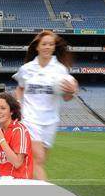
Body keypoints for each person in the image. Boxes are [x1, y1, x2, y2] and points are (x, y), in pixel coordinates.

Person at [13, 31, 78, 181]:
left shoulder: (60, 70)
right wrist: (18, 103)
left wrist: (72, 91)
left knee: (38, 163)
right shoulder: (27, 68)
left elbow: (67, 98)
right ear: (37, 47)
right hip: (30, 119)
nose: (47, 47)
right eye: (44, 44)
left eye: (51, 44)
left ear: (54, 47)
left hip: (50, 121)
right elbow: (20, 88)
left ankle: (26, 187)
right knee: (38, 159)